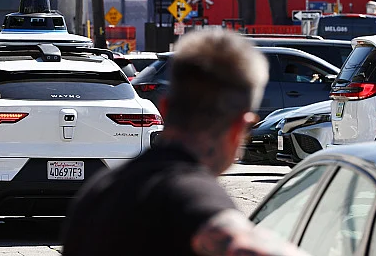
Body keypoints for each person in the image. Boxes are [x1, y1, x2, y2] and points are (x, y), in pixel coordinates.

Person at [62, 29, 308, 256]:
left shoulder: (96, 196)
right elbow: (238, 241)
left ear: (165, 108)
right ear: (240, 126)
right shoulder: (193, 197)